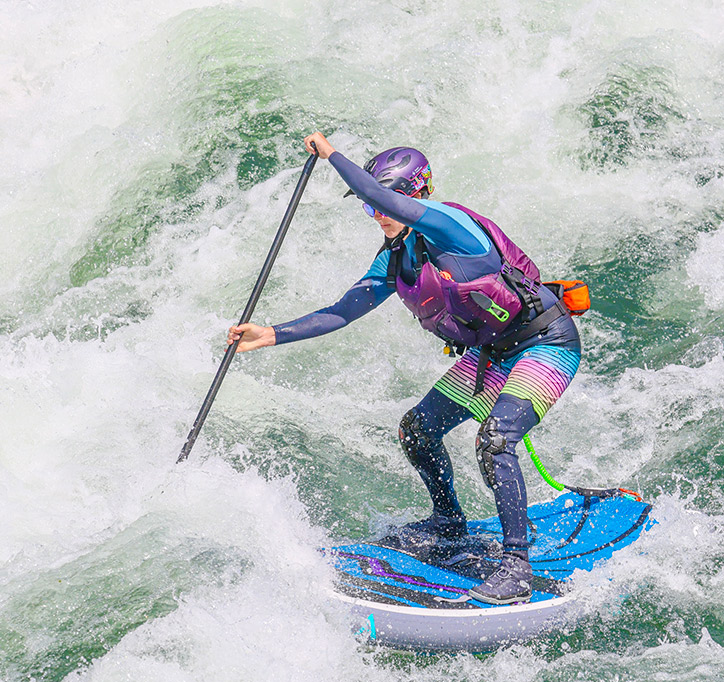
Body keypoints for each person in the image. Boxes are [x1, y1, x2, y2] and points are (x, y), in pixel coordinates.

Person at [227, 132, 581, 604]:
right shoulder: (396, 257)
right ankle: (449, 522)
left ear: (413, 196)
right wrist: (272, 333)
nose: (376, 213)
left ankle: (516, 568)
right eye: (370, 207)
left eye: (386, 204)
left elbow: (376, 192)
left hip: (543, 344)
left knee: (496, 440)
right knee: (417, 429)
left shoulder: (451, 226)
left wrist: (330, 153)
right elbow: (343, 310)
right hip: (491, 354)